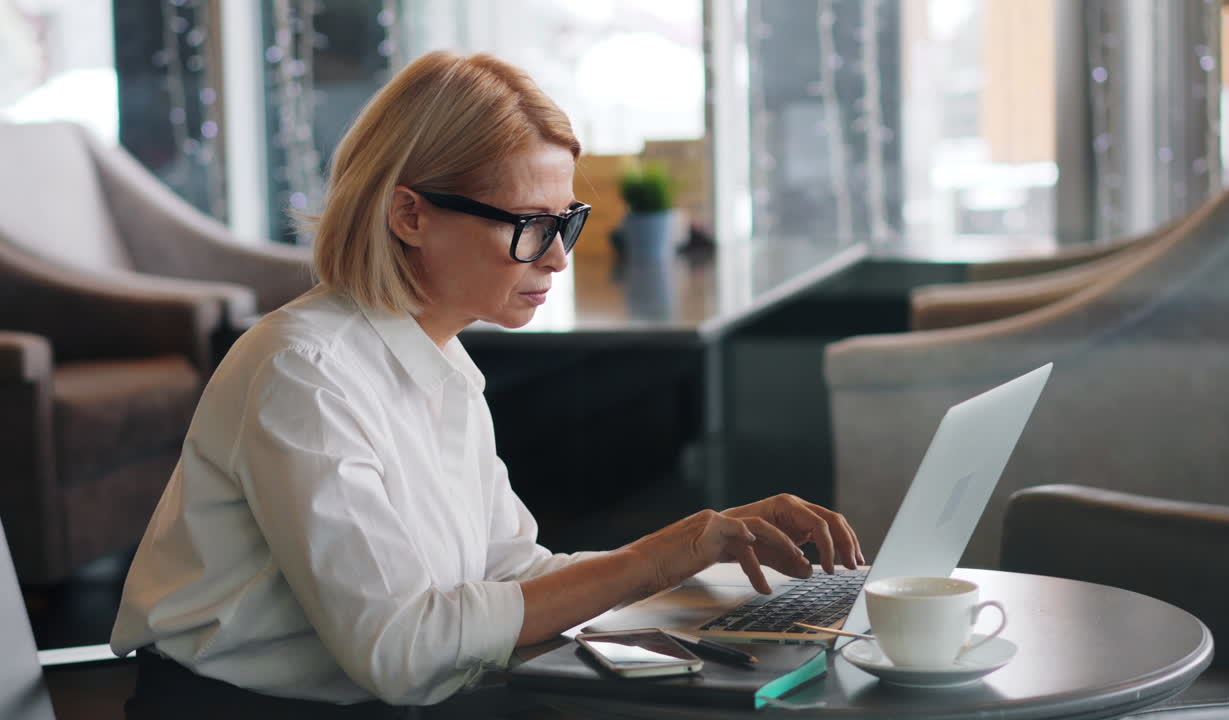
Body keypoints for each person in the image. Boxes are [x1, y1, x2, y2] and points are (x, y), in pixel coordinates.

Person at [110, 50, 863, 714]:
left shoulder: (439, 364)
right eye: (530, 226)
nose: (559, 259)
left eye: (566, 221)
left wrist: (701, 556)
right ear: (409, 213)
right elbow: (403, 653)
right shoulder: (302, 373)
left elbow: (511, 575)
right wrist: (663, 557)